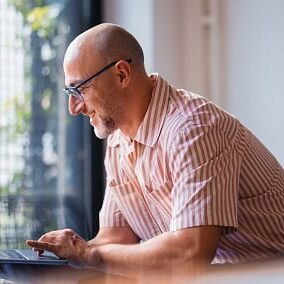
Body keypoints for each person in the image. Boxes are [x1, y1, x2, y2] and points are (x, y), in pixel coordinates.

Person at [26, 23, 284, 276]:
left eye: (79, 89)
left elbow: (189, 254)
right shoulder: (118, 141)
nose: (74, 107)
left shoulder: (193, 129)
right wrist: (71, 251)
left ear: (122, 74)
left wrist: (87, 254)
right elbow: (117, 238)